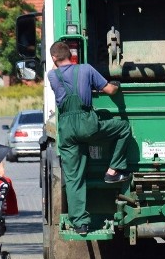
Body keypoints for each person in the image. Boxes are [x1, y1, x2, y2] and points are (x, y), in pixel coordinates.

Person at [47, 41, 132, 235]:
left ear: (54, 58)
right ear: (71, 55)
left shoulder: (52, 75)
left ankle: (80, 224)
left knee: (74, 177)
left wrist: (56, 59)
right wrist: (116, 84)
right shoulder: (86, 69)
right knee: (123, 128)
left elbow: (55, 66)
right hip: (88, 125)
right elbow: (110, 90)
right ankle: (113, 170)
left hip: (67, 130)